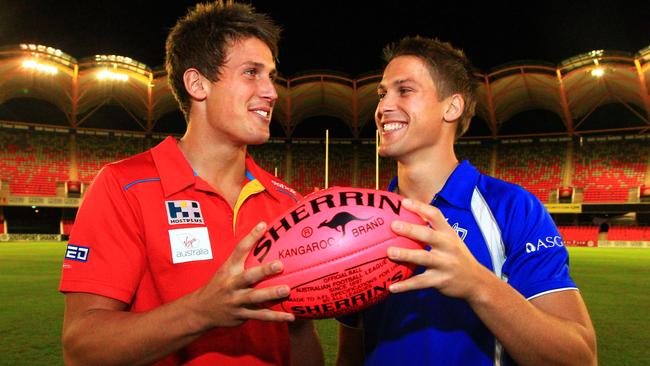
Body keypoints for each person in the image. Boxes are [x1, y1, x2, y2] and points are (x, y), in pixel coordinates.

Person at [59, 2, 324, 365]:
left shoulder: (287, 201)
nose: (271, 92)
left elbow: (299, 335)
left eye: (271, 76)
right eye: (251, 73)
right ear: (197, 84)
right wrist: (203, 311)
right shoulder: (124, 186)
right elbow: (80, 348)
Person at [336, 36, 597, 366]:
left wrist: (477, 284)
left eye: (404, 90)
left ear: (452, 107)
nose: (383, 107)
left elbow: (581, 358)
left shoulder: (513, 209)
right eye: (382, 93)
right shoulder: (361, 221)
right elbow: (350, 355)